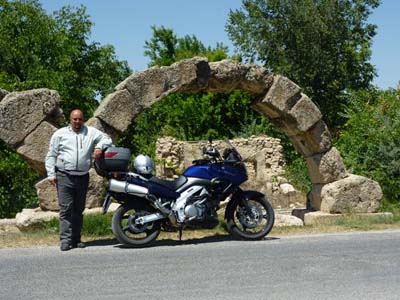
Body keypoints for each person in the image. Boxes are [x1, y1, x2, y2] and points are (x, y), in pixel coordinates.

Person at [45, 109, 112, 251]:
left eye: (80, 119)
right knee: (66, 208)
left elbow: (107, 139)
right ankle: (65, 240)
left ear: (83, 120)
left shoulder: (91, 132)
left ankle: (76, 239)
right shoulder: (60, 134)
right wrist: (51, 174)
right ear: (70, 120)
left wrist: (100, 147)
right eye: (74, 119)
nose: (77, 122)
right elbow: (51, 155)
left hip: (82, 176)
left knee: (78, 209)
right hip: (64, 175)